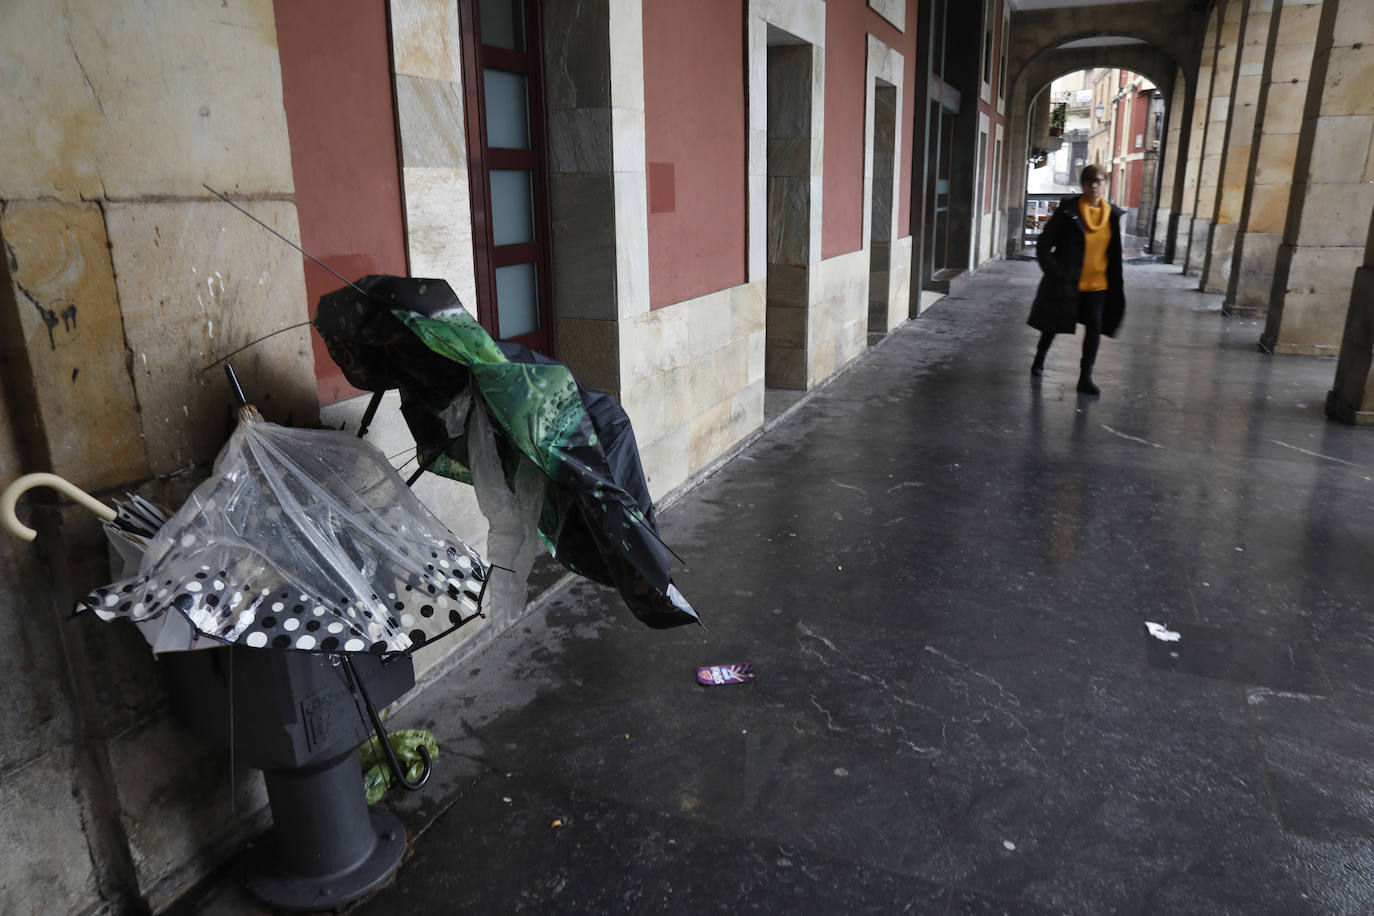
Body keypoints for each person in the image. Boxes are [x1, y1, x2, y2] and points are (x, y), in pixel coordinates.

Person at [1026, 164, 1125, 396]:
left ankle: (1085, 377)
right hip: (1067, 281)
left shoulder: (1111, 215)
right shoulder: (1068, 211)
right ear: (1082, 185)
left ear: (1105, 184)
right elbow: (1043, 245)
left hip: (1098, 285)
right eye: (1089, 182)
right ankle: (1040, 357)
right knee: (1052, 324)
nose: (1094, 186)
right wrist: (1056, 273)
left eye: (1098, 181)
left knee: (1095, 327)